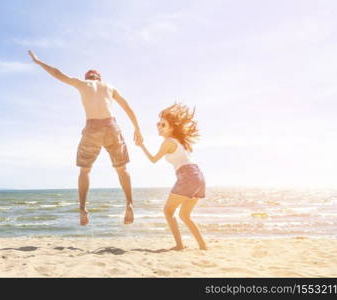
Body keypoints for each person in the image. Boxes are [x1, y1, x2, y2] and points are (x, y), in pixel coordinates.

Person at [28, 50, 143, 226]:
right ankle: (129, 204)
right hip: (112, 126)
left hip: (92, 128)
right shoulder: (109, 86)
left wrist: (38, 62)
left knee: (85, 170)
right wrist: (137, 129)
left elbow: (58, 73)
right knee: (121, 168)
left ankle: (83, 208)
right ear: (99, 78)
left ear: (88, 77)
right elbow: (127, 107)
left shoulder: (82, 83)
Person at [136, 103, 207, 250]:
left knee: (168, 212)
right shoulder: (179, 141)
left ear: (172, 128)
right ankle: (203, 246)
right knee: (185, 216)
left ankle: (179, 245)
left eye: (163, 125)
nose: (159, 127)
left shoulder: (168, 142)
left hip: (187, 176)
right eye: (158, 124)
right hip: (198, 176)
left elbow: (153, 160)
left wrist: (141, 146)